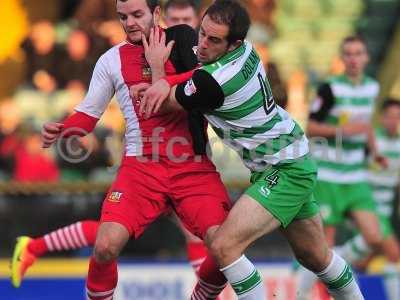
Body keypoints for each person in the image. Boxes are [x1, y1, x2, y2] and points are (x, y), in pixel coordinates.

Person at [136, 1, 364, 299]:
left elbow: (163, 103)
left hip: (284, 170)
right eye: (202, 33)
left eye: (213, 40)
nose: (202, 45)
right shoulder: (246, 51)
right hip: (290, 156)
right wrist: (169, 79)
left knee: (224, 246)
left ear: (235, 44)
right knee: (315, 256)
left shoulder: (216, 81)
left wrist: (156, 68)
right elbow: (192, 76)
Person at [20, 1, 235, 299]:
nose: (130, 22)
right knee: (105, 245)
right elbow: (88, 114)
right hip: (142, 168)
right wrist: (63, 127)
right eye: (123, 17)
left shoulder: (185, 43)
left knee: (226, 245)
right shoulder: (111, 60)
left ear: (156, 14)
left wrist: (161, 71)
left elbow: (212, 83)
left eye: (137, 15)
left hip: (191, 165)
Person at [296, 35, 385, 298]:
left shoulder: (372, 87)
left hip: (356, 175)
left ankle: (336, 261)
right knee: (322, 244)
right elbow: (311, 128)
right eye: (348, 54)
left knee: (374, 236)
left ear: (366, 57)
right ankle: (301, 294)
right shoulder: (330, 88)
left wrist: (375, 152)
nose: (354, 59)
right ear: (342, 58)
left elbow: (366, 126)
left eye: (358, 53)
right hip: (329, 175)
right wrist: (342, 131)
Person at [334, 99, 400, 300]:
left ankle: (332, 262)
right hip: (368, 206)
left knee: (364, 261)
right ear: (382, 118)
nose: (393, 121)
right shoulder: (371, 142)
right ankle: (329, 262)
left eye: (398, 117)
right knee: (393, 253)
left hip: (386, 209)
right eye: (390, 116)